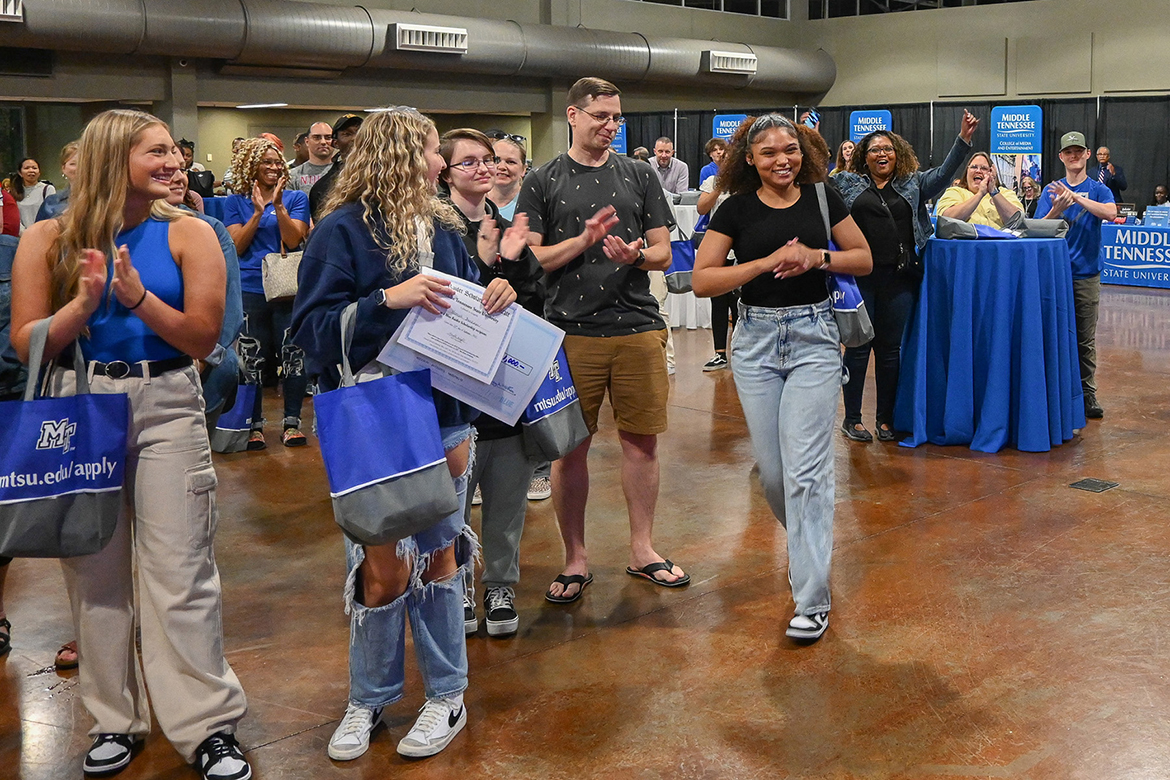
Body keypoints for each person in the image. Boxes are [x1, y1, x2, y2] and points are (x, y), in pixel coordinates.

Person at [9, 108, 249, 780]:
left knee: (182, 573)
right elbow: (25, 344)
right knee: (94, 574)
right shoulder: (49, 239)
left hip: (168, 403)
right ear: (115, 158)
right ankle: (115, 720)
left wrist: (136, 298)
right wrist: (81, 308)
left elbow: (204, 339)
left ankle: (208, 726)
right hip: (80, 404)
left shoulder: (191, 233)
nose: (174, 163)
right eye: (157, 153)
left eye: (173, 152)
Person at [290, 106, 516, 762]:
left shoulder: (447, 228)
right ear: (399, 154)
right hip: (375, 417)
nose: (441, 163)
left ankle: (447, 692)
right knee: (381, 567)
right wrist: (390, 298)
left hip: (446, 414)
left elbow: (466, 305)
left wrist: (494, 290)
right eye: (429, 151)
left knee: (441, 555)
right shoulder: (340, 230)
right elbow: (309, 328)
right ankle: (370, 696)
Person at [692, 114, 872, 642]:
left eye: (790, 150)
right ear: (749, 159)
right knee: (774, 475)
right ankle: (809, 543)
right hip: (754, 344)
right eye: (768, 152)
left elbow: (862, 259)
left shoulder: (822, 198)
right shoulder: (735, 208)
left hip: (815, 339)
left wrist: (818, 257)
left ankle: (812, 596)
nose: (782, 160)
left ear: (804, 153)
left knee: (807, 471)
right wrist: (766, 261)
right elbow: (704, 280)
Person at [518, 76, 688, 602]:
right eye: (600, 117)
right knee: (571, 451)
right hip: (570, 335)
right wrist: (585, 241)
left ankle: (643, 549)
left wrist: (635, 256)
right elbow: (532, 258)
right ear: (573, 115)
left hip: (638, 328)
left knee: (642, 444)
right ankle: (575, 558)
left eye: (616, 117)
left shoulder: (639, 175)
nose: (610, 126)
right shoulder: (542, 179)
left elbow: (663, 251)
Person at [439, 128, 544, 637]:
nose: (485, 168)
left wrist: (518, 268)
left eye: (491, 160)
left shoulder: (508, 228)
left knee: (506, 498)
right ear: (445, 171)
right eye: (471, 162)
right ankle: (455, 585)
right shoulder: (431, 229)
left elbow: (537, 299)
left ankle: (500, 585)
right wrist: (484, 271)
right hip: (452, 393)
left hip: (506, 390)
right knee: (452, 502)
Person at [831, 111, 977, 443]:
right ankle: (852, 418)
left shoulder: (913, 183)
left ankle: (885, 419)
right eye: (874, 150)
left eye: (887, 149)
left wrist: (963, 139)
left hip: (899, 279)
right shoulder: (845, 183)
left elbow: (942, 175)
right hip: (859, 280)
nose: (881, 154)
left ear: (898, 154)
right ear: (863, 158)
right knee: (856, 347)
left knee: (889, 350)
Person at [222, 136, 311, 448]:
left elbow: (295, 238)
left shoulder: (297, 198)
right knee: (251, 360)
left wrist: (278, 206)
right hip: (249, 288)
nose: (274, 168)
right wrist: (258, 213)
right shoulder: (235, 202)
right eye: (267, 162)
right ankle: (254, 424)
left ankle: (291, 422)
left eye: (277, 162)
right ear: (251, 166)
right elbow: (235, 245)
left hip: (288, 289)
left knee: (293, 357)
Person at [1036, 131, 1118, 420]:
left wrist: (1078, 200)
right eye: (1067, 152)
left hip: (1086, 274)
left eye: (1078, 151)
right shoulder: (1050, 190)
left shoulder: (1097, 189)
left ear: (1087, 154)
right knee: (1052, 334)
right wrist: (1057, 209)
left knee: (1084, 338)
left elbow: (1110, 213)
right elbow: (1037, 228)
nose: (1073, 156)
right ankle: (1052, 391)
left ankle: (1087, 393)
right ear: (1061, 156)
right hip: (1054, 276)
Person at [696, 162, 736, 372]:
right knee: (718, 303)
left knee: (739, 303)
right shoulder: (712, 181)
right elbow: (702, 208)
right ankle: (719, 353)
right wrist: (719, 188)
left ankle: (740, 352)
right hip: (718, 251)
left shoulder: (746, 182)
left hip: (740, 251)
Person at [935, 150, 1025, 228]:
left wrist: (994, 192)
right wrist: (980, 194)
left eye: (984, 168)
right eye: (974, 167)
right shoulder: (954, 192)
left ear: (992, 172)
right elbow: (946, 220)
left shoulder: (1006, 194)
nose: (978, 171)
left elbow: (1018, 221)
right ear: (967, 171)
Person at [309, 114, 362, 221]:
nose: (355, 138)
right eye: (347, 134)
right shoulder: (323, 187)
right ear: (335, 143)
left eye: (360, 132)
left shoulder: (381, 175)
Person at [486, 132, 527, 221]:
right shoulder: (477, 202)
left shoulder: (532, 203)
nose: (501, 167)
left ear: (523, 169)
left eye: (510, 162)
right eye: (496, 160)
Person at [36, 141, 79, 221]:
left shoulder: (103, 201)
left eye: (83, 163)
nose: (79, 168)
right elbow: (38, 231)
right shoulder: (50, 203)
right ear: (63, 168)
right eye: (73, 164)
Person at [288, 122, 334, 193]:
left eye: (328, 138)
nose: (323, 142)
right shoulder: (292, 175)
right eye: (317, 138)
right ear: (307, 141)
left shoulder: (345, 172)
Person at [12, 157, 56, 232]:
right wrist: (25, 234)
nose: (31, 171)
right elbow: (13, 218)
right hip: (21, 237)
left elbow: (52, 215)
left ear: (39, 172)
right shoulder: (13, 191)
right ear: (20, 173)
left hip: (43, 234)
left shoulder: (48, 189)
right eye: (27, 168)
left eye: (34, 168)